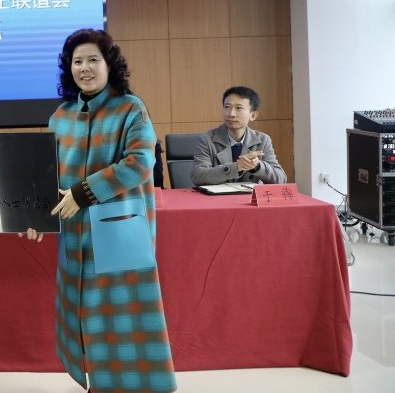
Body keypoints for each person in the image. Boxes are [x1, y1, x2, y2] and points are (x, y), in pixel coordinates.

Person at [23, 28, 176, 392]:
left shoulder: (130, 108)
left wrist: (84, 192)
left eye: (93, 59)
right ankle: (94, 384)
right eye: (77, 61)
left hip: (119, 231)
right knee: (80, 314)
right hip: (74, 234)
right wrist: (35, 216)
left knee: (124, 318)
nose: (85, 68)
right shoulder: (61, 116)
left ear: (110, 65)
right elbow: (49, 175)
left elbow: (140, 163)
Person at [191, 86, 286, 186]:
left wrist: (258, 166)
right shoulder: (207, 139)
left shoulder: (263, 140)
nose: (231, 114)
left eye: (239, 108)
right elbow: (198, 176)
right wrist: (236, 167)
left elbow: (281, 179)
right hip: (218, 196)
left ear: (253, 115)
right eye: (227, 107)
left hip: (249, 196)